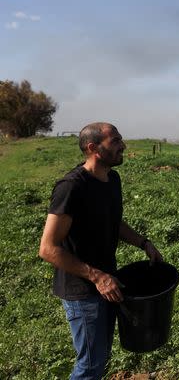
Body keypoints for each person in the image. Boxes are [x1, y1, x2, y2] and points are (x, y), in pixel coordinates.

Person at [39, 122, 163, 380]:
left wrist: (144, 243)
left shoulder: (111, 179)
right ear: (93, 148)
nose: (123, 146)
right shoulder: (72, 186)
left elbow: (113, 221)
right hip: (83, 290)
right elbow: (48, 248)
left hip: (107, 285)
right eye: (115, 141)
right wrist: (97, 277)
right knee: (89, 366)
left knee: (99, 359)